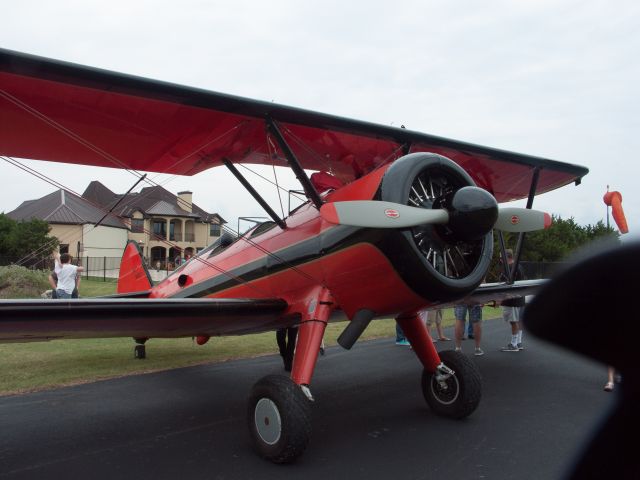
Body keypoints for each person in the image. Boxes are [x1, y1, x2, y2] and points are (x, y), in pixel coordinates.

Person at [500, 249, 526, 352]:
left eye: (501, 258)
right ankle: (518, 342)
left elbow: (505, 285)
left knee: (513, 321)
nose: (500, 260)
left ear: (507, 258)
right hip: (519, 298)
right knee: (518, 321)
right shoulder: (519, 266)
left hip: (512, 300)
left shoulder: (510, 268)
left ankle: (513, 344)